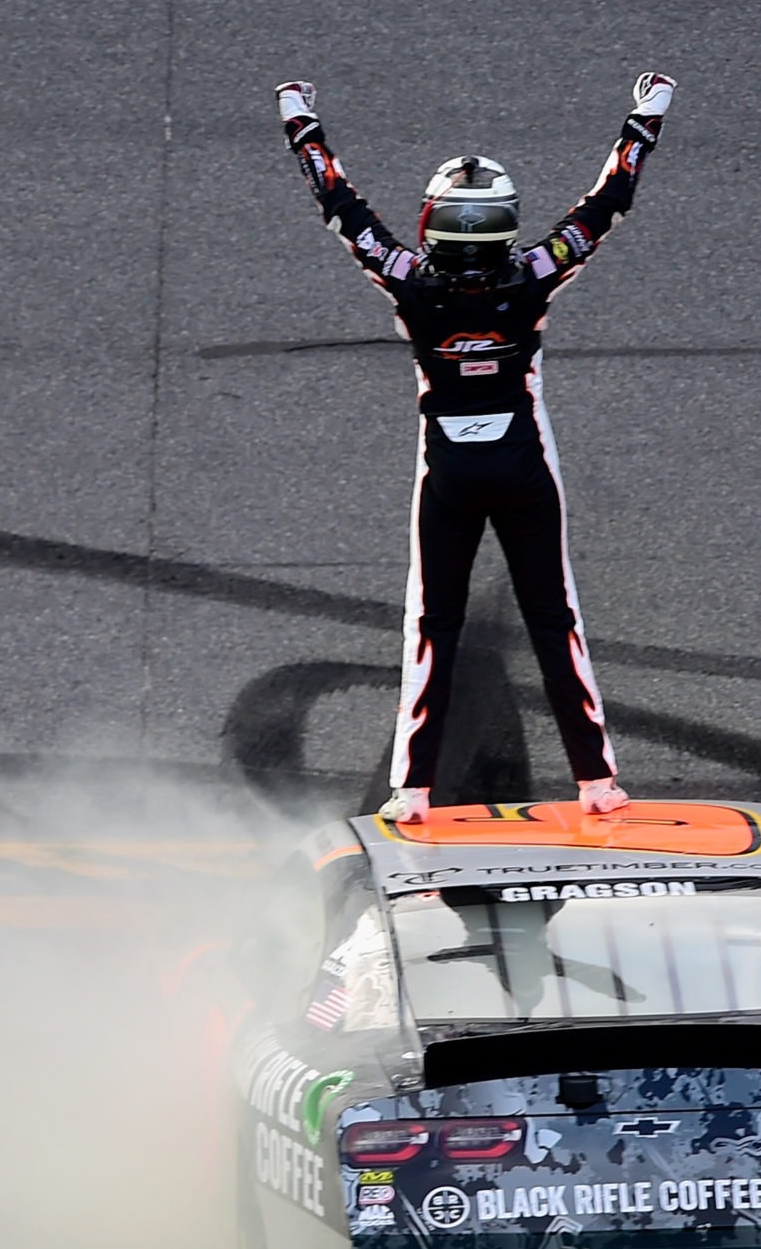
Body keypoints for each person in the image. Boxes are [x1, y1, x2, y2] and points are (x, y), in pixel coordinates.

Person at [275, 72, 676, 824]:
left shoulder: (406, 283)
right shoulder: (535, 275)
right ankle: (598, 784)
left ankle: (414, 792)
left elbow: (340, 206)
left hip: (449, 480)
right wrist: (645, 114)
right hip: (526, 471)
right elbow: (608, 205)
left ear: (431, 225)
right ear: (504, 228)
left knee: (432, 626)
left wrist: (301, 118)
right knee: (555, 620)